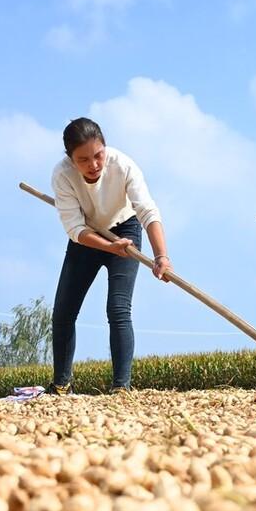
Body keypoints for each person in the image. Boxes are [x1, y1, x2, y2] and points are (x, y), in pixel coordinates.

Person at [48, 117, 171, 394]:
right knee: (64, 312)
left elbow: (148, 212)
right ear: (70, 159)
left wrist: (161, 255)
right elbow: (74, 228)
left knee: (117, 308)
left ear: (105, 147)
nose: (93, 165)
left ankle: (121, 387)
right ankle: (60, 385)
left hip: (125, 230)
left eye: (98, 155)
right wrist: (105, 246)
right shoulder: (61, 175)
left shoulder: (123, 165)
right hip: (86, 235)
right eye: (83, 160)